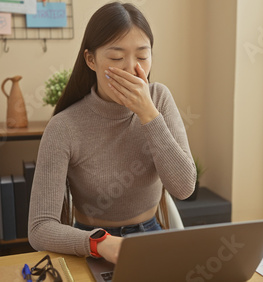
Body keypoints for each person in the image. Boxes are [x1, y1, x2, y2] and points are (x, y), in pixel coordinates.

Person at [28, 2, 196, 264]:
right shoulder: (64, 127)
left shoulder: (159, 99)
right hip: (90, 244)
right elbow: (39, 228)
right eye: (117, 58)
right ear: (91, 60)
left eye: (142, 56)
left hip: (150, 238)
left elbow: (184, 188)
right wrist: (100, 243)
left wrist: (149, 116)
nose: (131, 68)